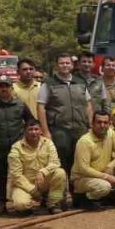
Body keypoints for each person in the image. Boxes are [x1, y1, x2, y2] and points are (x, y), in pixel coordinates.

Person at [39, 51, 93, 207]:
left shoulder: (80, 82)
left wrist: (90, 126)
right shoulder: (48, 83)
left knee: (79, 165)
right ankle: (58, 200)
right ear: (57, 65)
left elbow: (88, 105)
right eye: (62, 63)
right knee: (61, 166)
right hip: (59, 130)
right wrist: (46, 131)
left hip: (80, 129)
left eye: (67, 63)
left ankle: (79, 198)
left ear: (72, 65)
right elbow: (41, 107)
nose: (65, 65)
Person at [0, 76, 35, 215]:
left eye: (6, 86)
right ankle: (0, 205)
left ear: (11, 88)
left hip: (17, 149)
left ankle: (26, 202)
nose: (4, 89)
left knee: (21, 175)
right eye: (1, 86)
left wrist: (25, 138)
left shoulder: (20, 105)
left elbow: (31, 121)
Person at [70, 111, 115, 211]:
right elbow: (84, 169)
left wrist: (111, 165)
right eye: (99, 122)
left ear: (109, 124)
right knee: (104, 186)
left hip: (103, 172)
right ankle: (83, 199)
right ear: (92, 124)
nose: (102, 125)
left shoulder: (110, 133)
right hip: (83, 178)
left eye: (105, 122)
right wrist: (106, 177)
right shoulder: (84, 141)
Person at [6, 120, 67, 215]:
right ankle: (30, 205)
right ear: (25, 131)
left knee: (60, 173)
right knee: (21, 205)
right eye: (30, 129)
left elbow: (55, 162)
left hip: (43, 180)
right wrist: (33, 190)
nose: (34, 132)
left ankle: (54, 204)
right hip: (25, 185)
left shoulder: (48, 143)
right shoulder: (16, 148)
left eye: (36, 129)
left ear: (41, 131)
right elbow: (16, 175)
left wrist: (43, 172)